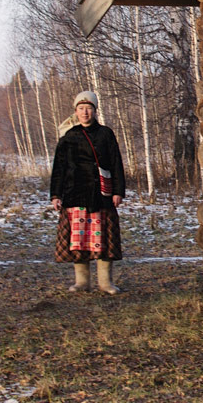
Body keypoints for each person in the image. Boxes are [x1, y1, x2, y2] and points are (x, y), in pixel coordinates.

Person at [49, 90, 127, 293]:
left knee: (103, 240)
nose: (85, 113)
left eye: (89, 109)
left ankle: (105, 283)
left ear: (95, 111)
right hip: (75, 193)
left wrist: (118, 191)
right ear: (76, 111)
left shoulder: (106, 134)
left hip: (101, 195)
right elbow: (59, 167)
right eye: (81, 109)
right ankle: (82, 282)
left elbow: (116, 163)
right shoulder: (68, 136)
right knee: (79, 239)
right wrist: (56, 195)